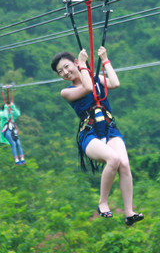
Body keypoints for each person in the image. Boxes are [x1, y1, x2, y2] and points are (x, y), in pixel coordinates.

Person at [51, 46, 143, 226]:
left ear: (75, 63)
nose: (65, 72)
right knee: (113, 159)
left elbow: (115, 83)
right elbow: (86, 88)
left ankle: (129, 212)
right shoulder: (66, 92)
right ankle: (102, 203)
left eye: (67, 67)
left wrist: (105, 59)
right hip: (89, 133)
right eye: (61, 72)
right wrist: (84, 64)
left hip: (109, 128)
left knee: (124, 164)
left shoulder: (95, 78)